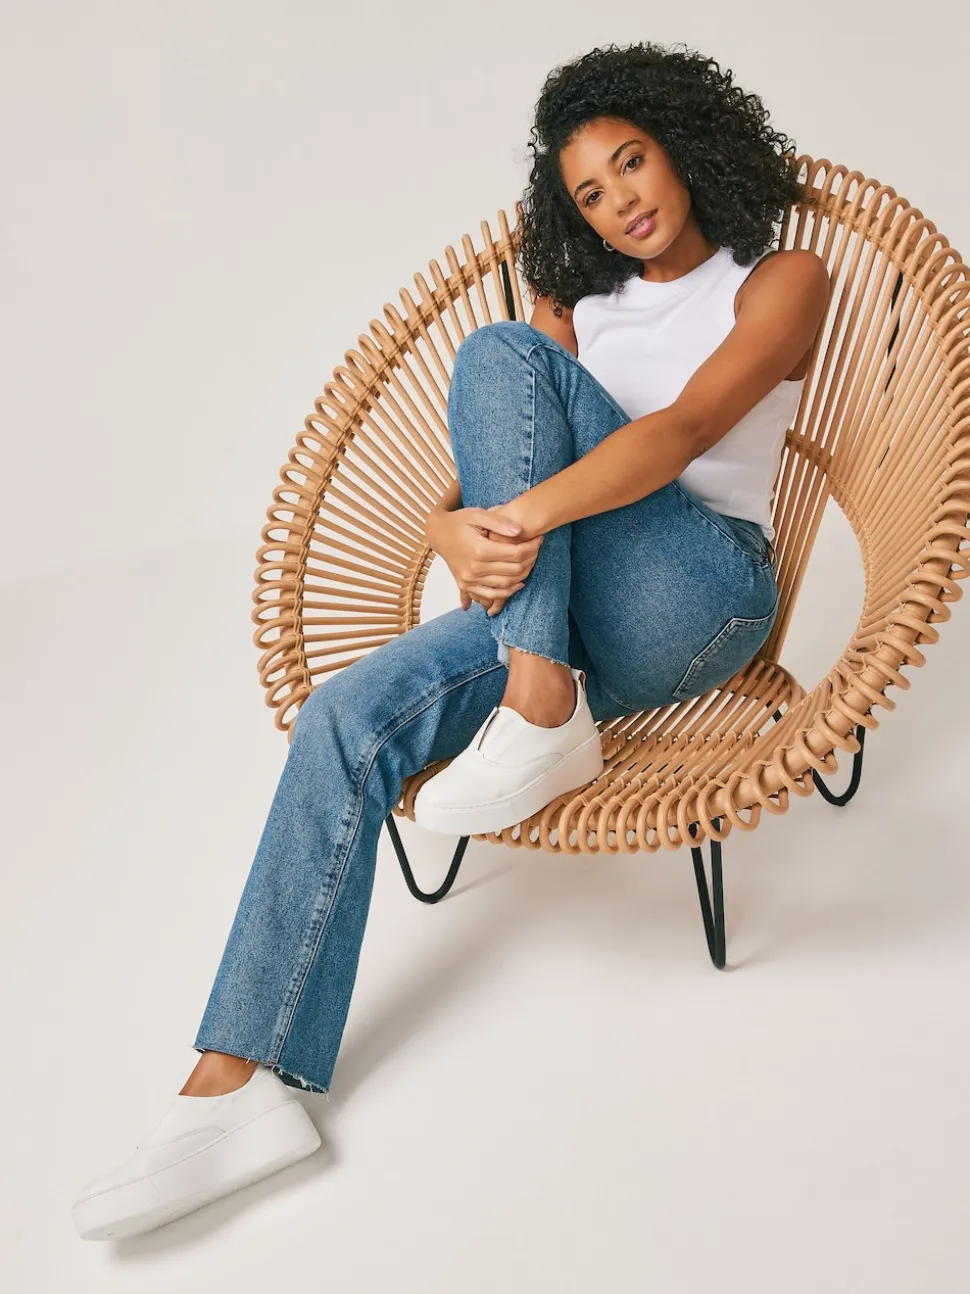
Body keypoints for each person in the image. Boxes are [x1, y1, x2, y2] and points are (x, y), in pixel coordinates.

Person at [72, 39, 828, 1240]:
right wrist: (447, 526)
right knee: (345, 717)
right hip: (563, 619)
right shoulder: (574, 309)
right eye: (590, 193)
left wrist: (516, 520)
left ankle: (538, 705)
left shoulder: (775, 275)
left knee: (498, 354)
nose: (621, 202)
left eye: (633, 162)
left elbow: (683, 430)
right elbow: (495, 465)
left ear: (683, 144)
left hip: (701, 595)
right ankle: (237, 1086)